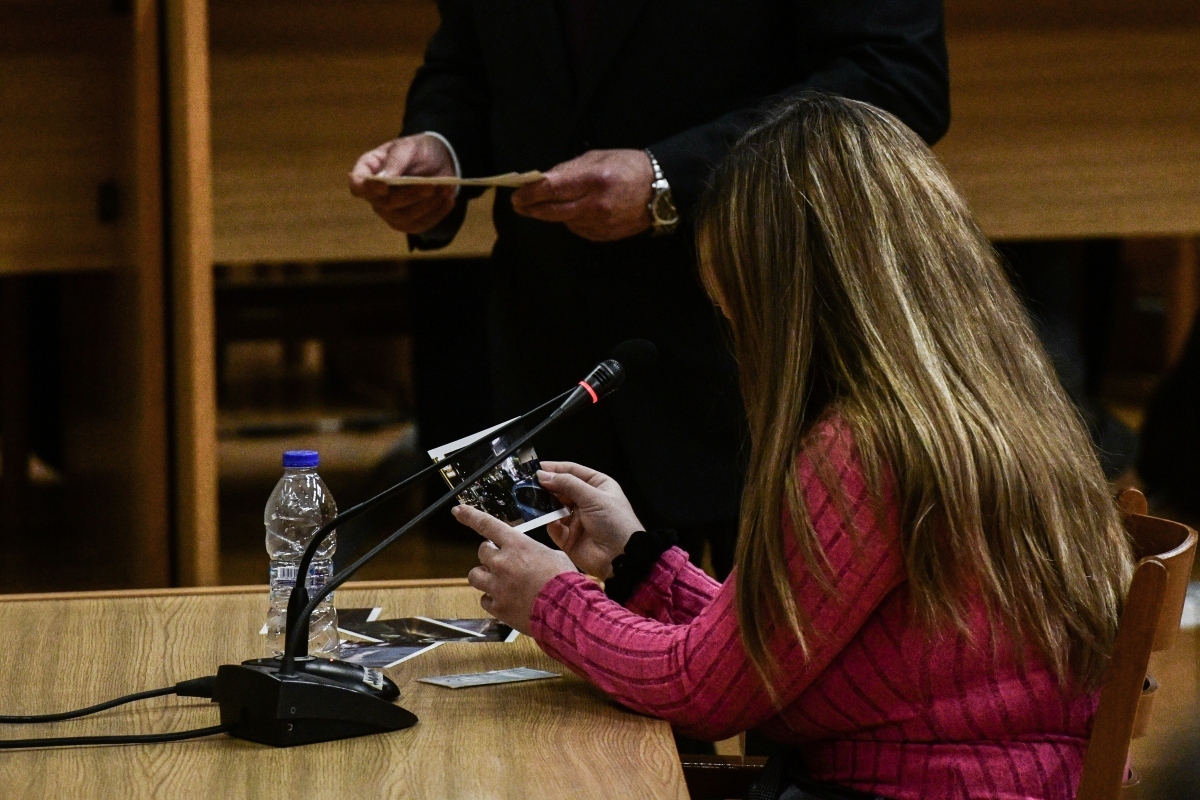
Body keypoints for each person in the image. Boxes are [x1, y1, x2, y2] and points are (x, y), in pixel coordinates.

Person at [449, 95, 1134, 800]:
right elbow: (782, 650)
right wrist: (639, 560)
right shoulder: (993, 407)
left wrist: (552, 601)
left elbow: (708, 693)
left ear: (788, 293)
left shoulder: (863, 445)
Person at [349, 0, 950, 575]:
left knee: (781, 639)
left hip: (763, 343)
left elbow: (895, 77)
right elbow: (470, 59)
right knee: (562, 633)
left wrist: (672, 175)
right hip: (556, 346)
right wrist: (443, 146)